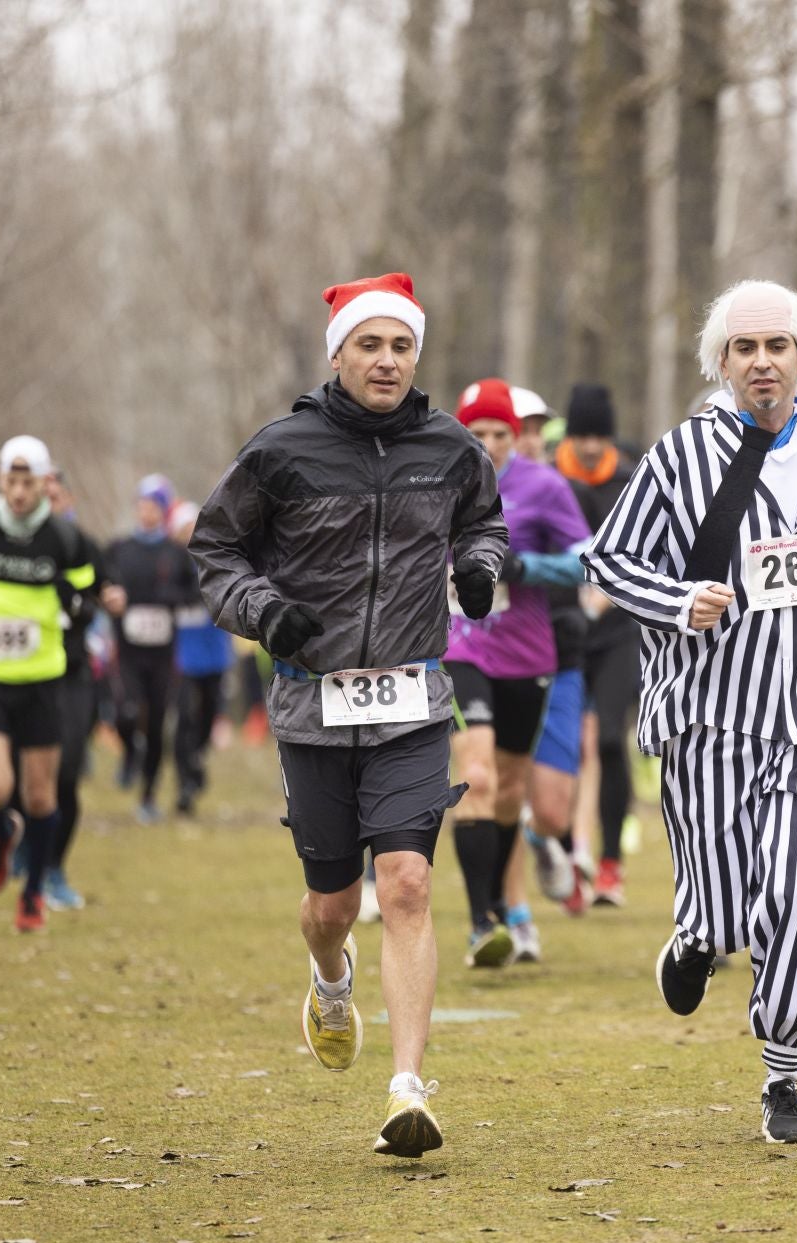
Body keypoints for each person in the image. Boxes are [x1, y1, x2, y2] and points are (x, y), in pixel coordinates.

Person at [582, 279, 797, 1144]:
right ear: (722, 362)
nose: (762, 362)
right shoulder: (679, 456)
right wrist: (677, 602)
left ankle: (783, 1073)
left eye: (777, 346)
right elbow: (606, 564)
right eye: (744, 349)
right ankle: (698, 932)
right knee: (726, 902)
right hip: (707, 718)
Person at [190, 272, 507, 1158]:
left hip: (412, 701)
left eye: (401, 345)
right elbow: (215, 549)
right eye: (370, 344)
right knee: (331, 903)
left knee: (406, 883)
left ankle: (409, 1087)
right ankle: (332, 981)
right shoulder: (281, 450)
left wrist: (478, 569)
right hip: (311, 704)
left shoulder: (449, 447)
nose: (387, 360)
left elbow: (485, 521)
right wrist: (264, 612)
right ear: (338, 353)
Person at [442, 377, 592, 968]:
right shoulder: (435, 483)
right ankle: (481, 923)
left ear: (516, 436)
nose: (489, 444)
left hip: (528, 655)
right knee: (475, 777)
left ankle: (502, 911)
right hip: (459, 649)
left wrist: (524, 566)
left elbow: (588, 561)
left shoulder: (545, 486)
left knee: (508, 791)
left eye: (500, 433)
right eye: (476, 433)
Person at [0, 435, 98, 933]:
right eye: (12, 481)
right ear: (0, 480)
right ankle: (1, 833)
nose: (20, 492)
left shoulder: (65, 540)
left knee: (40, 798)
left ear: (45, 483)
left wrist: (69, 604)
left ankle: (31, 895)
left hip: (41, 684)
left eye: (29, 482)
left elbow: (88, 597)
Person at [553, 382, 642, 908]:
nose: (591, 447)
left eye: (600, 436)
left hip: (617, 632)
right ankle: (569, 858)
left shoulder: (631, 481)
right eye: (583, 435)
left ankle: (611, 863)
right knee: (564, 750)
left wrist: (612, 595)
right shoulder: (551, 479)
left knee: (609, 741)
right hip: (562, 631)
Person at [28, 466, 108, 911]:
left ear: (68, 501)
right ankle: (26, 849)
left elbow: (108, 584)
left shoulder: (84, 547)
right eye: (44, 496)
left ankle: (55, 868)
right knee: (26, 779)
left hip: (74, 672)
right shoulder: (17, 551)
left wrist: (111, 597)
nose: (50, 503)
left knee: (67, 773)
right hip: (27, 675)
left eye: (56, 496)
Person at [104, 475, 190, 822]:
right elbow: (103, 586)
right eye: (142, 505)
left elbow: (196, 592)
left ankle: (148, 794)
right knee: (125, 711)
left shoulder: (176, 554)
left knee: (156, 725)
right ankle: (128, 752)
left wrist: (173, 599)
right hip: (127, 650)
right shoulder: (120, 549)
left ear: (164, 510)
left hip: (162, 655)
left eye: (154, 506)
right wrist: (110, 597)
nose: (147, 512)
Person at [168, 501, 234, 817]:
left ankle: (196, 760)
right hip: (182, 657)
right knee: (183, 719)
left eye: (191, 526)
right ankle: (184, 783)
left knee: (206, 718)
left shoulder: (214, 558)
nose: (187, 533)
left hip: (213, 654)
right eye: (181, 528)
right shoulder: (169, 564)